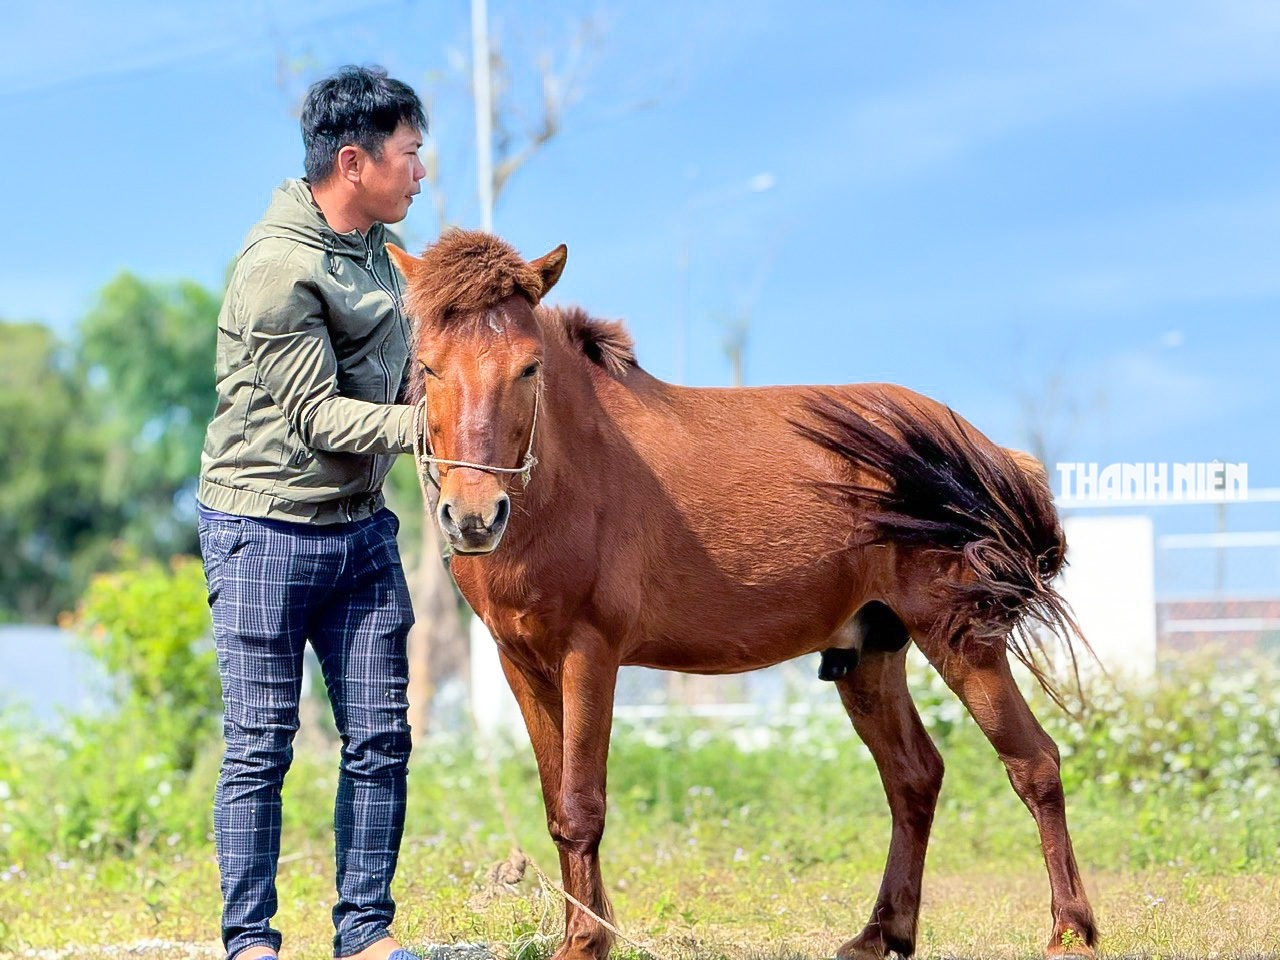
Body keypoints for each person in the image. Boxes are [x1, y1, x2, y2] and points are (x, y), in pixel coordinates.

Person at [196, 65, 428, 960]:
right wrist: (439, 427)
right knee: (262, 746)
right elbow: (319, 417)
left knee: (381, 736)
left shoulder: (380, 248)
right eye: (409, 156)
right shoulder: (277, 268)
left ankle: (364, 934)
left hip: (358, 530)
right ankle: (249, 941)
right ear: (353, 161)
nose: (420, 173)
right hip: (263, 530)